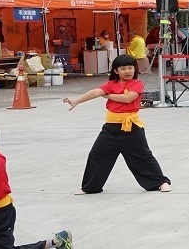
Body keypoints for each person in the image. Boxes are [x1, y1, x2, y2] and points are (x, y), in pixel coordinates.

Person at [64, 55, 172, 194]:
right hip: (111, 128)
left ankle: (161, 182)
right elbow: (95, 92)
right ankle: (90, 187)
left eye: (130, 68)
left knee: (143, 157)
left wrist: (107, 96)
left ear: (135, 69)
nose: (127, 71)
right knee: (97, 155)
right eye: (123, 68)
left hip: (132, 128)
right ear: (116, 71)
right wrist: (76, 101)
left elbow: (128, 99)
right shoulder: (111, 85)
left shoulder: (136, 84)